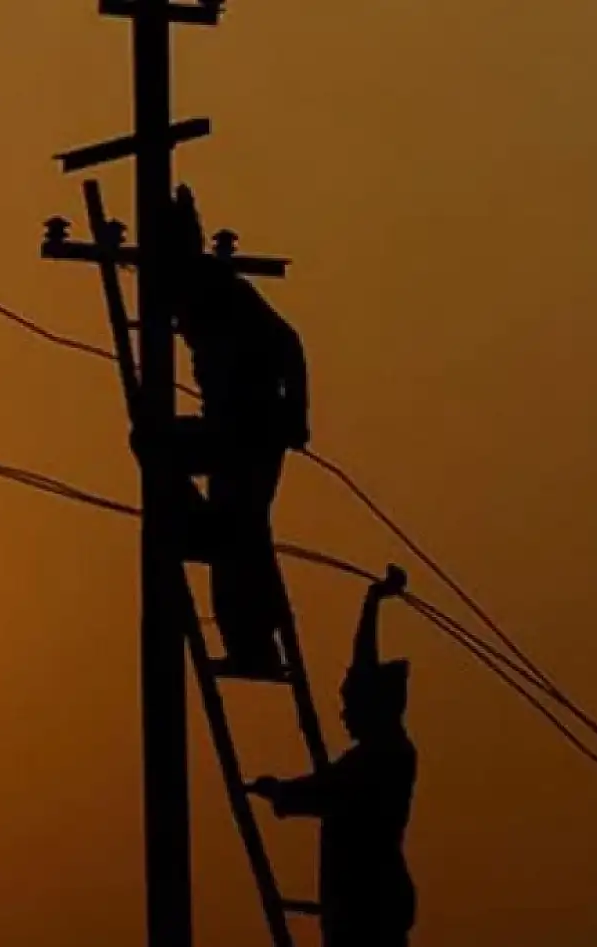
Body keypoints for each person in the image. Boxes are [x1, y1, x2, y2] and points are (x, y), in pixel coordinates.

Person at [169, 185, 310, 680]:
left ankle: (254, 642)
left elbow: (289, 343)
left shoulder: (220, 289)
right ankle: (249, 640)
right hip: (229, 428)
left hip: (251, 428)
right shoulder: (184, 289)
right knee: (239, 529)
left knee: (239, 528)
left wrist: (297, 414)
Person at [248, 566, 417, 947]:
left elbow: (325, 791)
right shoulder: (386, 751)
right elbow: (364, 663)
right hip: (366, 903)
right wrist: (372, 603)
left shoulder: (381, 760)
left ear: (373, 707)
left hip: (367, 910)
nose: (344, 713)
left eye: (350, 704)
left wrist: (280, 792)